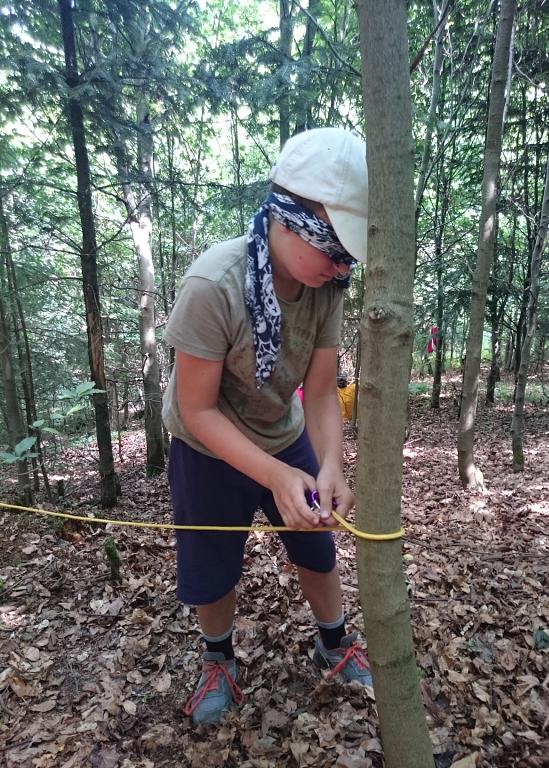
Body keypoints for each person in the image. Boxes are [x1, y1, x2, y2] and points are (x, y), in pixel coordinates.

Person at [162, 127, 372, 726]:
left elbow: (324, 390)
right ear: (288, 223)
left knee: (316, 543)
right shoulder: (213, 286)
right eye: (334, 251)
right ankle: (218, 659)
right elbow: (199, 409)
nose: (341, 267)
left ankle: (332, 641)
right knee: (212, 565)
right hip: (207, 445)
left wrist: (330, 463)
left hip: (284, 430)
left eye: (348, 257)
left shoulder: (324, 285)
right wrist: (274, 476)